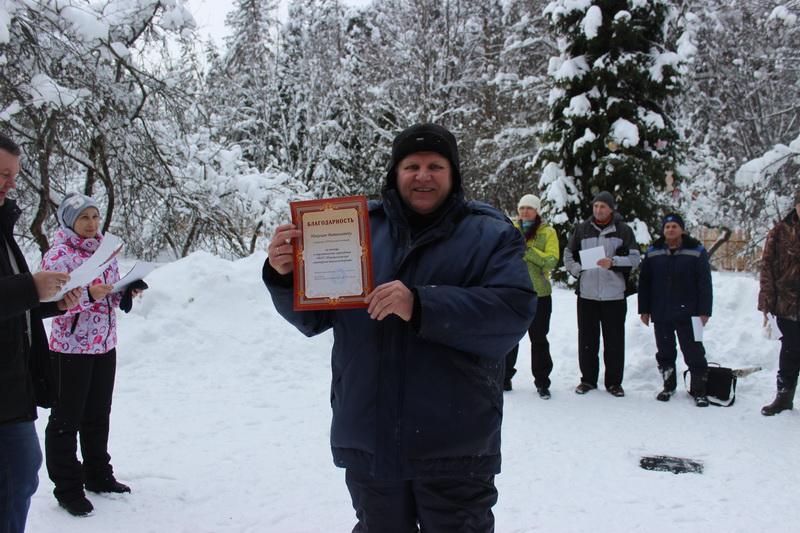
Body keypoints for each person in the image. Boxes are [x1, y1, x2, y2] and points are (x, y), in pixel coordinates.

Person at [263, 123, 536, 532]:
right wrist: (285, 275)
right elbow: (314, 318)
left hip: (453, 441)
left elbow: (511, 312)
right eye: (411, 165)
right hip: (370, 434)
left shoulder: (490, 234)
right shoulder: (351, 229)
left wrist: (421, 304)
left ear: (453, 174)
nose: (422, 175)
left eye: (435, 165)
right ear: (395, 173)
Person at [1, 133, 82, 533]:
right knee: (17, 472)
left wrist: (52, 302)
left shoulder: (2, 230)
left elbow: (13, 303)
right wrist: (32, 288)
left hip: (13, 385)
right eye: (2, 174)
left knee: (20, 473)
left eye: (13, 175)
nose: (10, 184)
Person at [40, 192, 138, 516]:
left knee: (98, 415)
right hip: (70, 348)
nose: (92, 224)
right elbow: (51, 305)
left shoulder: (104, 251)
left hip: (103, 344)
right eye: (84, 218)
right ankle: (68, 487)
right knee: (66, 420)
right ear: (70, 221)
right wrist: (90, 296)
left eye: (95, 217)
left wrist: (125, 291)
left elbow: (108, 296)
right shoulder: (59, 256)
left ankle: (97, 474)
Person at [563, 191, 641, 397]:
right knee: (587, 339)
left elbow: (635, 258)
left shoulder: (624, 230)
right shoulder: (582, 229)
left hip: (614, 294)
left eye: (603, 207)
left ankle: (614, 383)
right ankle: (587, 380)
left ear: (611, 209)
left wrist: (613, 262)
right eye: (596, 206)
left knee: (614, 341)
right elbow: (568, 254)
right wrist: (577, 270)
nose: (598, 210)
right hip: (587, 294)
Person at [638, 214, 712, 407]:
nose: (670, 230)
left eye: (674, 227)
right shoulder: (654, 252)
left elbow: (705, 284)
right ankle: (668, 386)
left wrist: (705, 312)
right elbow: (645, 282)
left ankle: (700, 391)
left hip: (690, 313)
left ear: (682, 230)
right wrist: (644, 310)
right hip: (661, 312)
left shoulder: (696, 251)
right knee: (665, 352)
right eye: (667, 227)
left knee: (694, 352)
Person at [504, 194, 559, 399]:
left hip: (540, 294)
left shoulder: (548, 233)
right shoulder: (511, 230)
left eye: (529, 208)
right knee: (510, 337)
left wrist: (527, 250)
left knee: (539, 338)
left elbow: (551, 260)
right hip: (514, 292)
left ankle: (542, 382)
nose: (525, 211)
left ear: (537, 211)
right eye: (522, 208)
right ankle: (504, 378)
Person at [758, 192, 800, 416]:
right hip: (788, 303)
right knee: (791, 352)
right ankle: (783, 398)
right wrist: (766, 301)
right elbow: (767, 266)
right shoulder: (781, 230)